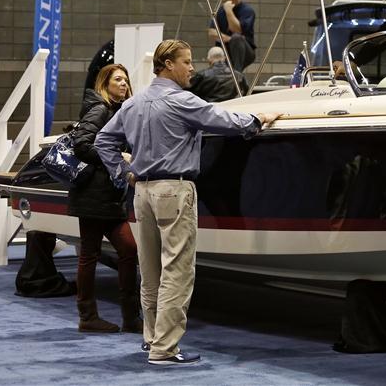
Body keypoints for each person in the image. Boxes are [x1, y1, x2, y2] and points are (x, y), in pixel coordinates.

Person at [95, 39, 279, 366]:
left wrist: (124, 173)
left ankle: (151, 339)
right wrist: (259, 119)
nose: (192, 68)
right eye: (187, 61)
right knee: (177, 271)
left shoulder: (133, 104)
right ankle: (165, 349)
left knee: (150, 271)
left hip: (142, 193)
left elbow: (103, 140)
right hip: (174, 192)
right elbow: (224, 121)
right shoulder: (182, 101)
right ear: (168, 65)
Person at [69, 64, 142, 333]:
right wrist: (116, 156)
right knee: (92, 254)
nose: (123, 84)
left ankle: (130, 317)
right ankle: (89, 316)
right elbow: (82, 145)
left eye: (126, 80)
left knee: (128, 251)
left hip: (108, 196)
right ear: (105, 84)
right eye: (117, 80)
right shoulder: (100, 109)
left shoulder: (116, 111)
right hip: (93, 196)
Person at [208, 0, 256, 72]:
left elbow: (236, 30)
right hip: (226, 52)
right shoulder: (220, 11)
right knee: (215, 50)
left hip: (245, 52)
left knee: (237, 38)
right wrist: (230, 40)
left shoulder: (247, 10)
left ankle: (237, 75)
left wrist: (229, 11)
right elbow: (212, 33)